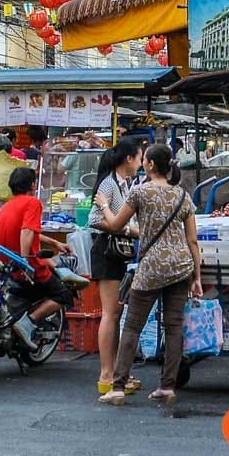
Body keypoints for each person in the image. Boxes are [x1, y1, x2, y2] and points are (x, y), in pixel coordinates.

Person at [95, 145, 202, 405]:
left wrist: (104, 205)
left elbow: (116, 224)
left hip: (152, 266)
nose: (142, 163)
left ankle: (118, 387)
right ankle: (167, 387)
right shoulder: (182, 195)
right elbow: (192, 240)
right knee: (174, 327)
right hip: (181, 266)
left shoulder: (140, 192)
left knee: (132, 326)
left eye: (145, 160)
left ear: (151, 165)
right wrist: (197, 277)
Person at [0, 167, 74, 351]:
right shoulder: (33, 203)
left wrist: (55, 243)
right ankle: (28, 322)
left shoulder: (6, 207)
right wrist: (24, 261)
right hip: (28, 269)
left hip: (8, 266)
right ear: (32, 185)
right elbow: (27, 231)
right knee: (64, 294)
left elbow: (31, 232)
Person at [88, 137, 143, 394]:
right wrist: (130, 231)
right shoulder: (109, 184)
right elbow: (95, 219)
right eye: (139, 158)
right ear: (128, 159)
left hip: (118, 252)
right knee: (110, 313)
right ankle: (106, 375)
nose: (141, 163)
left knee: (116, 313)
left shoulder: (124, 183)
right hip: (107, 252)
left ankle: (118, 373)